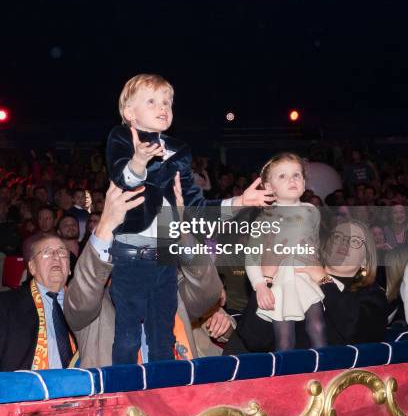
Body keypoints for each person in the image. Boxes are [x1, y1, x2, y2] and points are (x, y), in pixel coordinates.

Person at [105, 73, 273, 364]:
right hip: (132, 253)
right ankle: (125, 392)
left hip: (166, 256)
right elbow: (122, 176)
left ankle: (164, 390)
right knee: (128, 334)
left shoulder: (179, 150)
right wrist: (139, 161)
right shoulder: (121, 138)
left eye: (168, 102)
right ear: (130, 113)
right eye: (153, 101)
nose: (163, 107)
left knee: (163, 333)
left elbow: (194, 207)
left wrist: (240, 202)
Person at [64, 181, 235, 367]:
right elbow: (82, 296)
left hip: (174, 390)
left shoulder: (172, 294)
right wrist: (106, 225)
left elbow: (208, 290)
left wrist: (182, 232)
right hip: (119, 393)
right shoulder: (95, 308)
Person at [225, 218, 387, 354]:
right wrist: (267, 280)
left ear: (365, 259)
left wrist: (323, 280)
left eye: (355, 241)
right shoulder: (293, 278)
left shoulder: (371, 294)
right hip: (284, 379)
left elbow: (359, 334)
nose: (344, 243)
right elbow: (253, 339)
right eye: (337, 237)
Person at [244, 153, 327, 351]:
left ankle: (326, 372)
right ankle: (286, 380)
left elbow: (313, 244)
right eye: (282, 176)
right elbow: (252, 257)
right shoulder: (264, 219)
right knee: (284, 337)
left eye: (296, 175)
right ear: (269, 187)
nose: (291, 180)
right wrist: (261, 286)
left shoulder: (312, 211)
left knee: (318, 326)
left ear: (305, 183)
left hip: (306, 278)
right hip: (280, 283)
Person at [0, 234, 75, 371]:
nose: (56, 256)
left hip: (81, 387)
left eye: (62, 252)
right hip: (26, 388)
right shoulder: (6, 306)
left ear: (69, 268)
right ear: (32, 267)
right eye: (46, 252)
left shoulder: (83, 305)